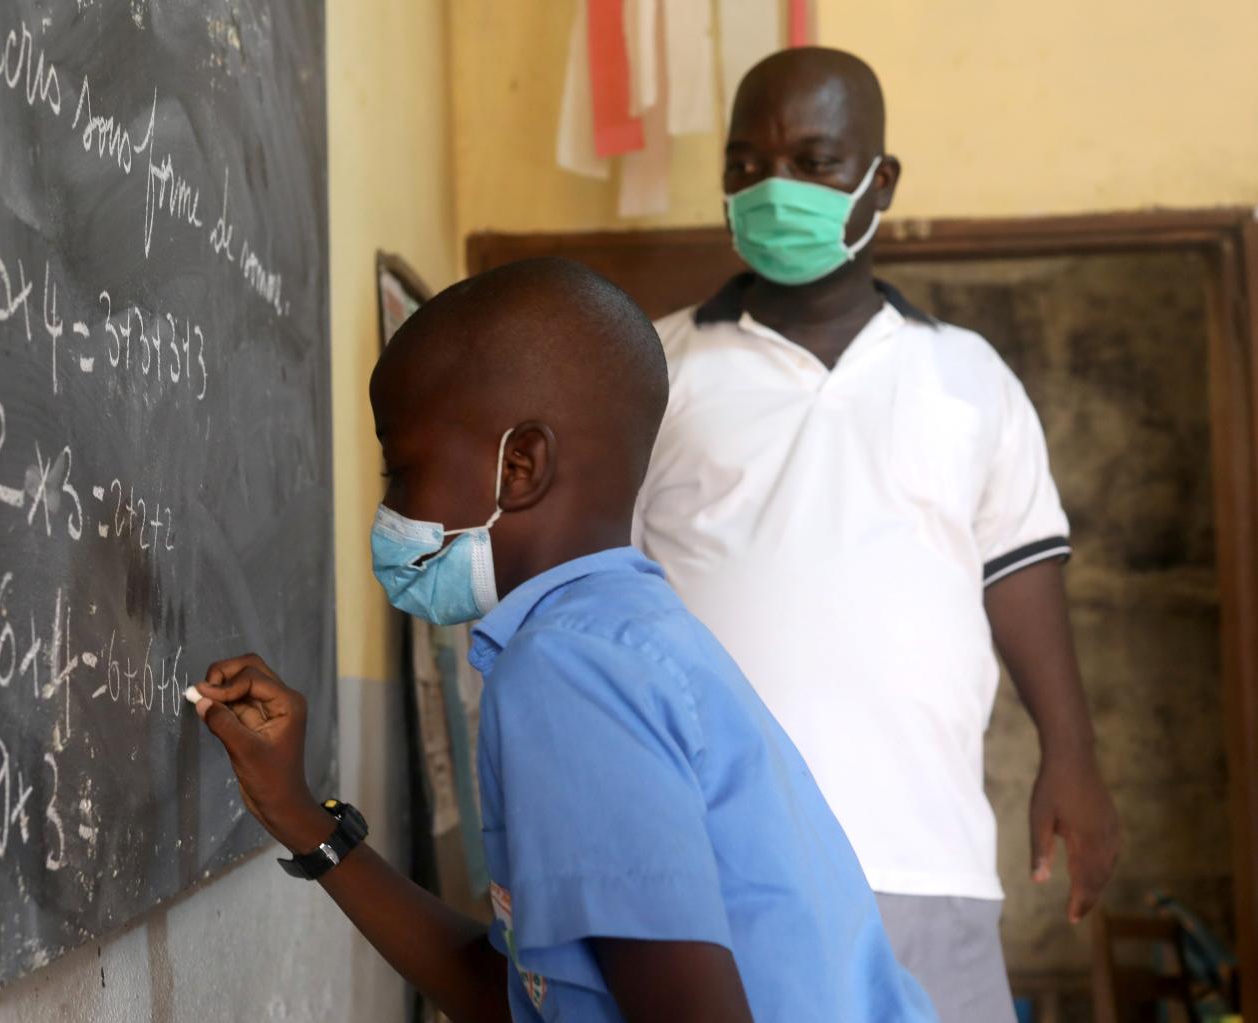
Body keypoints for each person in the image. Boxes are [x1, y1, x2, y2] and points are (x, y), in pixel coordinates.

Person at [191, 258, 936, 1022]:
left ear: (519, 466)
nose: (389, 509)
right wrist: (297, 811)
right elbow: (516, 994)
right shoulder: (630, 636)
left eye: (402, 468)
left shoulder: (566, 671)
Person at [630, 47, 1120, 1021]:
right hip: (709, 858)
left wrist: (1071, 753)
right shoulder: (650, 366)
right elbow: (591, 589)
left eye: (812, 161)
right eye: (743, 164)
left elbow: (1019, 576)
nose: (772, 189)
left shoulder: (966, 377)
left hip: (920, 853)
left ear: (877, 179)